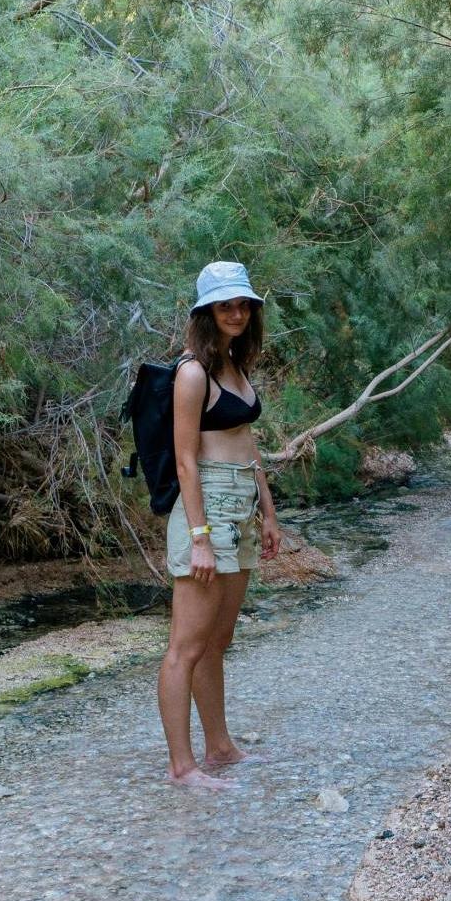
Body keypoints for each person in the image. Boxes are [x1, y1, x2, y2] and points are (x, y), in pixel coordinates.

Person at [157, 261, 282, 789]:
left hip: (241, 507)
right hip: (204, 511)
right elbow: (186, 461)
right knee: (186, 645)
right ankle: (182, 768)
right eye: (225, 304)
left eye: (243, 304)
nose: (236, 312)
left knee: (218, 639)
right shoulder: (192, 373)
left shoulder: (235, 365)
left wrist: (269, 512)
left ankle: (221, 748)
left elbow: (247, 447)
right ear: (206, 311)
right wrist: (201, 539)